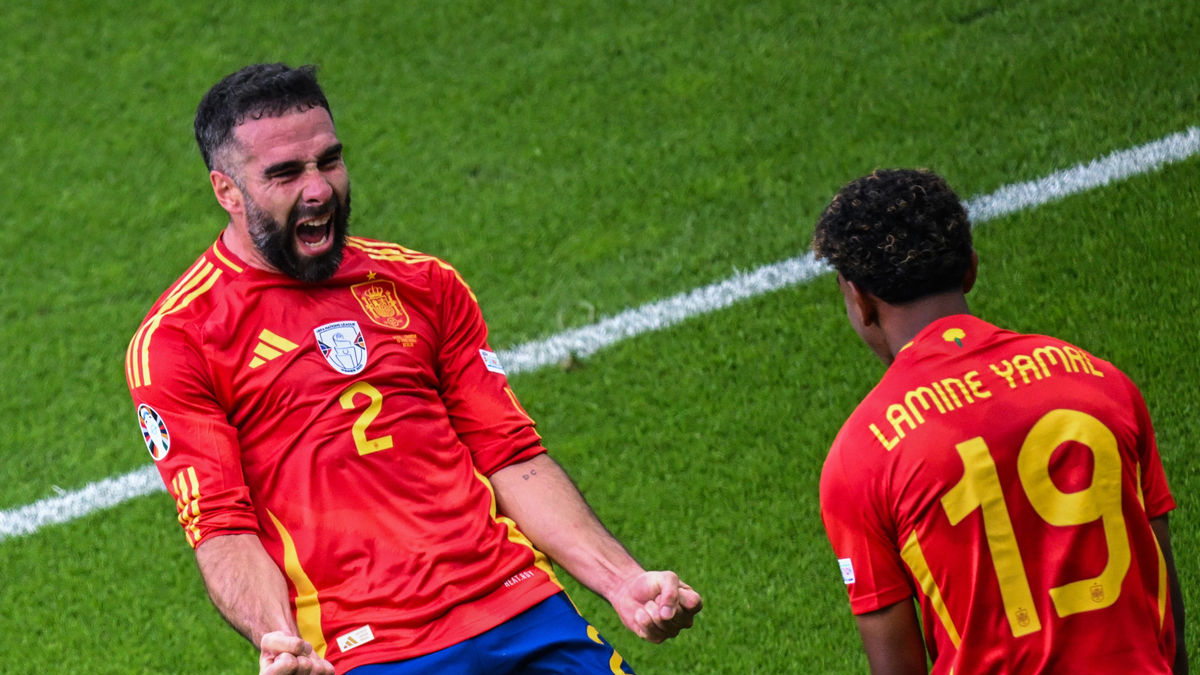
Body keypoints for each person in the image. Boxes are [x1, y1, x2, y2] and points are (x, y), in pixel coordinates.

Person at [125, 63, 701, 675]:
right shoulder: (181, 339)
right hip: (370, 650)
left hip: (520, 605)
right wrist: (282, 644)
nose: (318, 189)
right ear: (227, 190)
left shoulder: (421, 283)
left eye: (329, 161)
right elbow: (223, 528)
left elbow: (509, 453)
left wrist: (621, 580)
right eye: (286, 173)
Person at [812, 169, 1186, 674]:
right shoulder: (1101, 383)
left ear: (859, 299)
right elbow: (1162, 603)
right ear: (970, 268)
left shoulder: (863, 454)